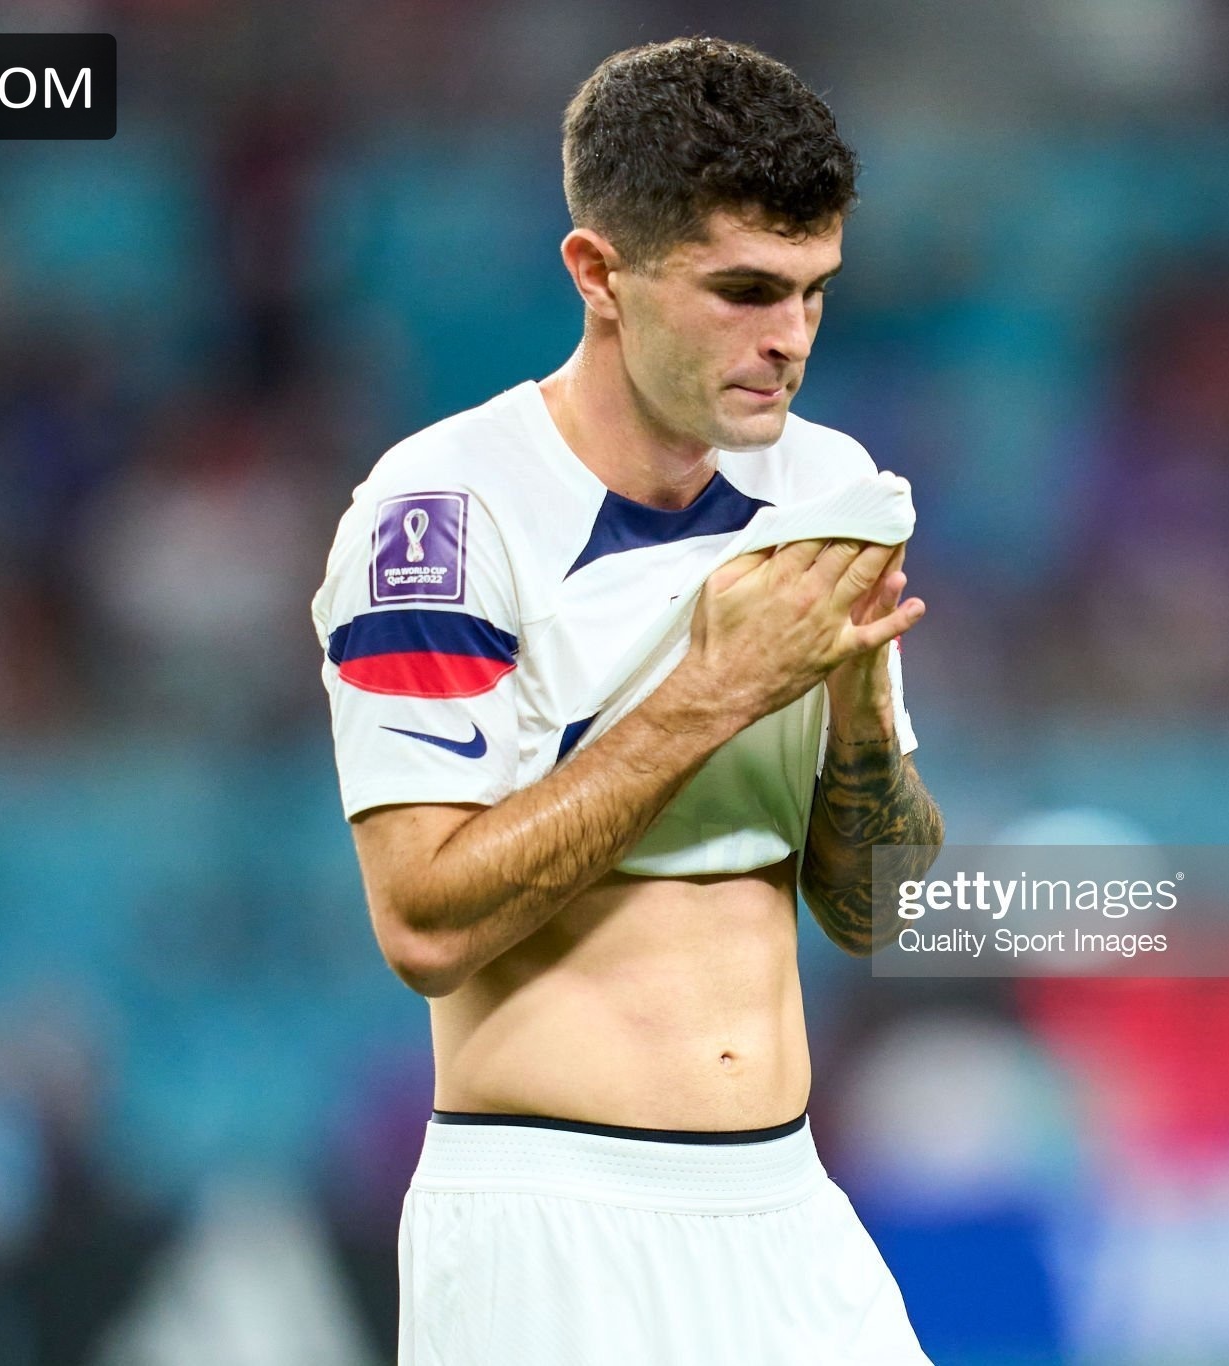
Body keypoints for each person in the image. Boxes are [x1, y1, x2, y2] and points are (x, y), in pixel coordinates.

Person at [310, 35, 943, 1365]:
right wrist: (711, 694)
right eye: (744, 290)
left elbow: (874, 911)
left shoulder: (826, 485)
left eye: (814, 293)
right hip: (551, 1223)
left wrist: (855, 705)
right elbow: (422, 921)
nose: (789, 340)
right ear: (599, 274)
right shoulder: (443, 516)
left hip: (787, 1210)